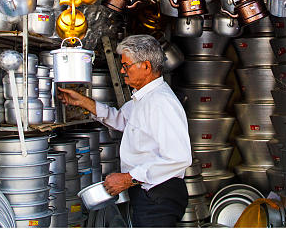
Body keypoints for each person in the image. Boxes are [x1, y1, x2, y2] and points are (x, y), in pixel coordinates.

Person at [57, 34, 192, 227]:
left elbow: (178, 158)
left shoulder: (161, 102)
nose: (122, 71)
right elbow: (120, 119)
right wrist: (82, 102)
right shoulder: (143, 99)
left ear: (146, 66)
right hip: (148, 193)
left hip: (159, 195)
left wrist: (128, 179)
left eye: (126, 66)